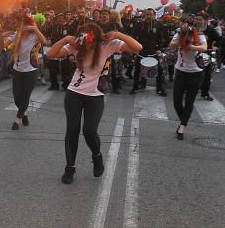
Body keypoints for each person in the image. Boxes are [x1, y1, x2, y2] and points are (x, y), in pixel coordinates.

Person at [47, 24, 141, 183]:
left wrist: (118, 34)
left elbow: (137, 47)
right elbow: (51, 54)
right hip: (74, 93)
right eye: (84, 41)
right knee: (72, 130)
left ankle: (97, 156)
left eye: (90, 41)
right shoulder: (76, 46)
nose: (87, 45)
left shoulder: (107, 46)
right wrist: (65, 39)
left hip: (95, 95)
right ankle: (70, 167)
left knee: (89, 131)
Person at [169, 20, 209, 140]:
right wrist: (180, 43)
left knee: (189, 101)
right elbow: (171, 45)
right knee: (176, 101)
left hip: (196, 72)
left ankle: (182, 126)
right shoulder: (179, 33)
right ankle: (184, 120)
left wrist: (192, 46)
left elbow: (204, 47)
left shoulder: (200, 35)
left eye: (189, 36)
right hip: (181, 71)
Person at [9, 15, 48, 130]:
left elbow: (44, 41)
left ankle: (17, 120)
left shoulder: (34, 36)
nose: (17, 25)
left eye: (19, 23)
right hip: (17, 70)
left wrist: (35, 29)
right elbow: (6, 44)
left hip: (31, 70)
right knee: (17, 98)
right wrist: (3, 36)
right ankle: (24, 113)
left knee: (25, 96)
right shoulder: (18, 35)